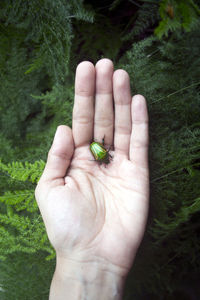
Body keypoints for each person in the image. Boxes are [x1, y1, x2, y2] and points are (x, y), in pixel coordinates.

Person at [35, 58, 149, 300]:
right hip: (100, 148)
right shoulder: (102, 154)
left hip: (99, 149)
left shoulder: (102, 155)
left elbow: (102, 153)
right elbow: (103, 153)